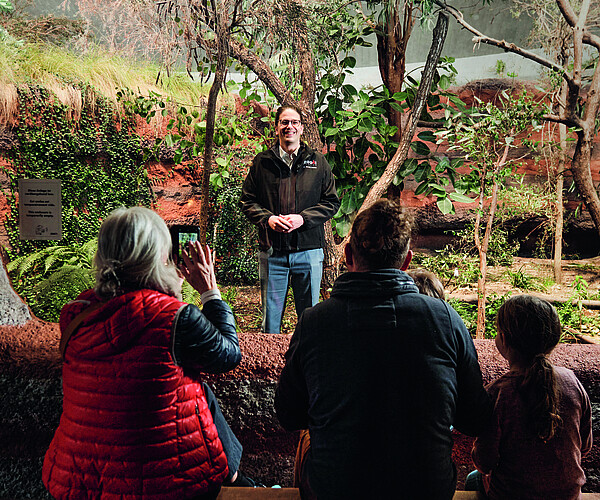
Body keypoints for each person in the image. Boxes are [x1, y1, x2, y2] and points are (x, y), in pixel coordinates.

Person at [275, 199, 492, 500]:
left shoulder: (314, 322)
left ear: (349, 255)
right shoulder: (444, 318)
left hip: (336, 491)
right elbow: (474, 417)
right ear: (406, 261)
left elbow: (289, 414)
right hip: (424, 490)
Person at [42, 207, 258, 500]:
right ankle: (237, 480)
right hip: (165, 480)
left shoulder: (75, 315)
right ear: (158, 255)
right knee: (198, 390)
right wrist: (210, 292)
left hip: (80, 478)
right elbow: (229, 355)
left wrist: (168, 297)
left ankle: (237, 479)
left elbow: (136, 340)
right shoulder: (176, 319)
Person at [466, 294, 593, 500]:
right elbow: (584, 446)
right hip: (568, 495)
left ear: (504, 339)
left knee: (473, 479)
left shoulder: (498, 392)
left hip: (512, 495)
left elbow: (484, 462)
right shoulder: (572, 382)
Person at [240, 105, 340, 333]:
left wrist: (302, 219)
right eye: (284, 122)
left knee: (310, 322)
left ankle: (306, 366)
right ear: (276, 127)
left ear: (302, 128)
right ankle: (270, 367)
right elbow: (247, 200)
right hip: (272, 253)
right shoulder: (262, 163)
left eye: (294, 122)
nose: (289, 127)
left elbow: (331, 202)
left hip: (309, 252)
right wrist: (268, 219)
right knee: (270, 323)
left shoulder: (317, 162)